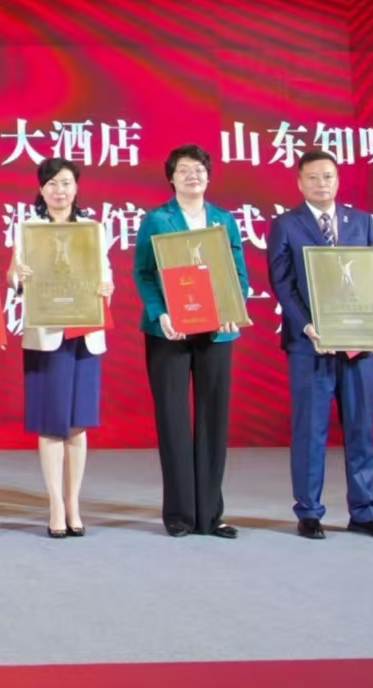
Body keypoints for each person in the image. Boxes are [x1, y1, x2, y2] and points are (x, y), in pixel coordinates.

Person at [267, 149, 373, 541]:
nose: (321, 183)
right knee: (310, 430)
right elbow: (282, 282)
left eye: (327, 176)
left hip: (359, 343)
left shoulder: (361, 222)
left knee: (361, 428)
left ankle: (365, 511)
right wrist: (307, 325)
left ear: (338, 180)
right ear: (299, 182)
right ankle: (309, 511)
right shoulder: (285, 225)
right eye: (312, 177)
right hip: (310, 344)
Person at [132, 143, 246, 538]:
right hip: (168, 331)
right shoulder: (156, 219)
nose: (192, 175)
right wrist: (160, 313)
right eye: (184, 169)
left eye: (199, 169)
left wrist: (232, 306)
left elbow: (238, 271)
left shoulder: (224, 220)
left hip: (217, 329)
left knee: (213, 418)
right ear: (171, 177)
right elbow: (144, 272)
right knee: (173, 420)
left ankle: (211, 514)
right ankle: (180, 515)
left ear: (208, 176)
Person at [8, 157, 112, 539]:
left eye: (66, 182)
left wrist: (106, 286)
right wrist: (18, 277)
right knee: (52, 422)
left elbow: (105, 273)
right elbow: (13, 276)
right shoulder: (29, 230)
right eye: (51, 183)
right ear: (41, 189)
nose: (59, 190)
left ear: (76, 187)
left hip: (84, 332)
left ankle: (74, 504)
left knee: (78, 423)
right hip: (47, 335)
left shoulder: (92, 229)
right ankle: (54, 505)